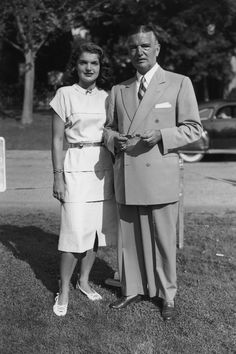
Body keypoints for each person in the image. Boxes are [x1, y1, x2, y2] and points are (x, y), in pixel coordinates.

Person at [104, 24, 203, 320]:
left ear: (157, 49)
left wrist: (162, 134)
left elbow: (194, 129)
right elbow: (107, 128)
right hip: (128, 173)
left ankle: (167, 295)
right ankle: (132, 289)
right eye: (134, 47)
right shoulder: (119, 89)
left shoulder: (178, 83)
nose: (139, 52)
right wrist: (113, 139)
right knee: (130, 238)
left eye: (145, 46)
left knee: (162, 239)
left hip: (159, 174)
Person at [50, 42, 117, 317]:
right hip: (75, 166)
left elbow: (113, 132)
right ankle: (63, 288)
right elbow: (56, 140)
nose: (89, 67)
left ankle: (84, 281)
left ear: (100, 67)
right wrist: (58, 176)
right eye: (83, 62)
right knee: (73, 230)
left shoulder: (108, 96)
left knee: (95, 233)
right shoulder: (64, 94)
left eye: (94, 63)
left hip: (103, 169)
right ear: (75, 66)